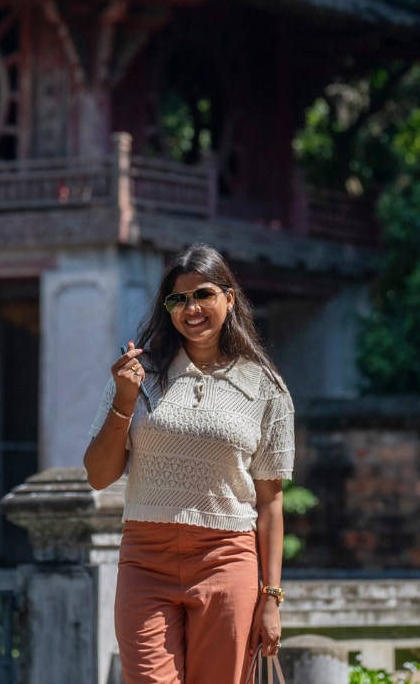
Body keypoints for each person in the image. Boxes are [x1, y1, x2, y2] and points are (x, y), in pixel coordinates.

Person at [84, 243, 295, 684]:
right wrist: (124, 400)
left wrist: (271, 597)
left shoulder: (266, 387)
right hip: (145, 560)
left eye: (203, 294)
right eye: (178, 299)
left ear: (229, 298)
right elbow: (99, 476)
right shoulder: (138, 376)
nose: (191, 308)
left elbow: (270, 503)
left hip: (226, 560)